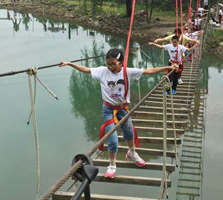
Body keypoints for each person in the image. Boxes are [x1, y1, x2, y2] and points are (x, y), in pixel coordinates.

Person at [59, 48, 176, 179]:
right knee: (113, 139)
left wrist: (168, 67)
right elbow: (86, 69)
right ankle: (112, 164)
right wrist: (70, 63)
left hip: (123, 109)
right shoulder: (103, 71)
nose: (110, 67)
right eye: (108, 64)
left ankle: (132, 153)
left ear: (121, 63)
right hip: (108, 110)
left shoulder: (127, 72)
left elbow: (148, 71)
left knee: (129, 132)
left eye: (113, 64)